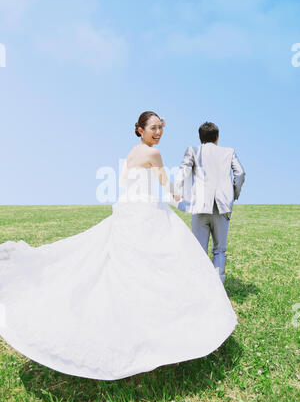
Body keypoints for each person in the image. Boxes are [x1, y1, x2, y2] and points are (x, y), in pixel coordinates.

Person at [0, 112, 238, 381]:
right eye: (153, 128)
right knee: (165, 262)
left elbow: (125, 182)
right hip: (147, 212)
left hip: (130, 211)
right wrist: (178, 196)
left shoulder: (132, 153)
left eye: (160, 128)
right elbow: (165, 184)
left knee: (125, 268)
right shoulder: (154, 155)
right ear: (140, 129)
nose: (158, 132)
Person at [174, 122, 246, 284]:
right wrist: (233, 193)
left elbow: (182, 174)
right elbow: (240, 173)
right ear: (217, 137)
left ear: (200, 138)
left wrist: (178, 193)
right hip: (223, 207)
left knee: (199, 250)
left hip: (200, 206)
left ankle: (199, 286)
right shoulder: (229, 152)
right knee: (219, 250)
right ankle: (217, 288)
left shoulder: (193, 151)